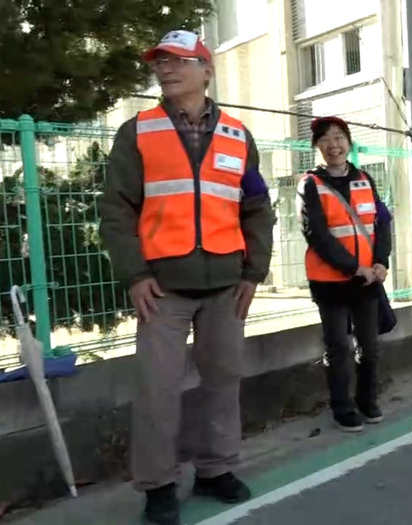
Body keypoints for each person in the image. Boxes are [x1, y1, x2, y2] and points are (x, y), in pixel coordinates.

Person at [99, 30, 275, 525]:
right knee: (157, 391)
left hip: (225, 284)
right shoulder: (138, 131)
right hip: (162, 289)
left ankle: (216, 469)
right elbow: (116, 210)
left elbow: (257, 208)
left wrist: (253, 273)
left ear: (206, 69)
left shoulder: (238, 136)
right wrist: (134, 274)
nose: (166, 69)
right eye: (160, 62)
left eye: (179, 61)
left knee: (223, 382)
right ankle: (157, 485)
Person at [298, 116, 392, 433]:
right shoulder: (310, 184)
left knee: (370, 346)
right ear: (316, 147)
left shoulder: (365, 179)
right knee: (339, 346)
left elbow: (381, 223)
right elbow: (317, 235)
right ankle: (342, 407)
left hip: (366, 280)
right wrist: (354, 268)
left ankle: (367, 400)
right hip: (330, 283)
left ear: (349, 143)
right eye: (325, 139)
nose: (333, 144)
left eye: (339, 137)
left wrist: (381, 262)